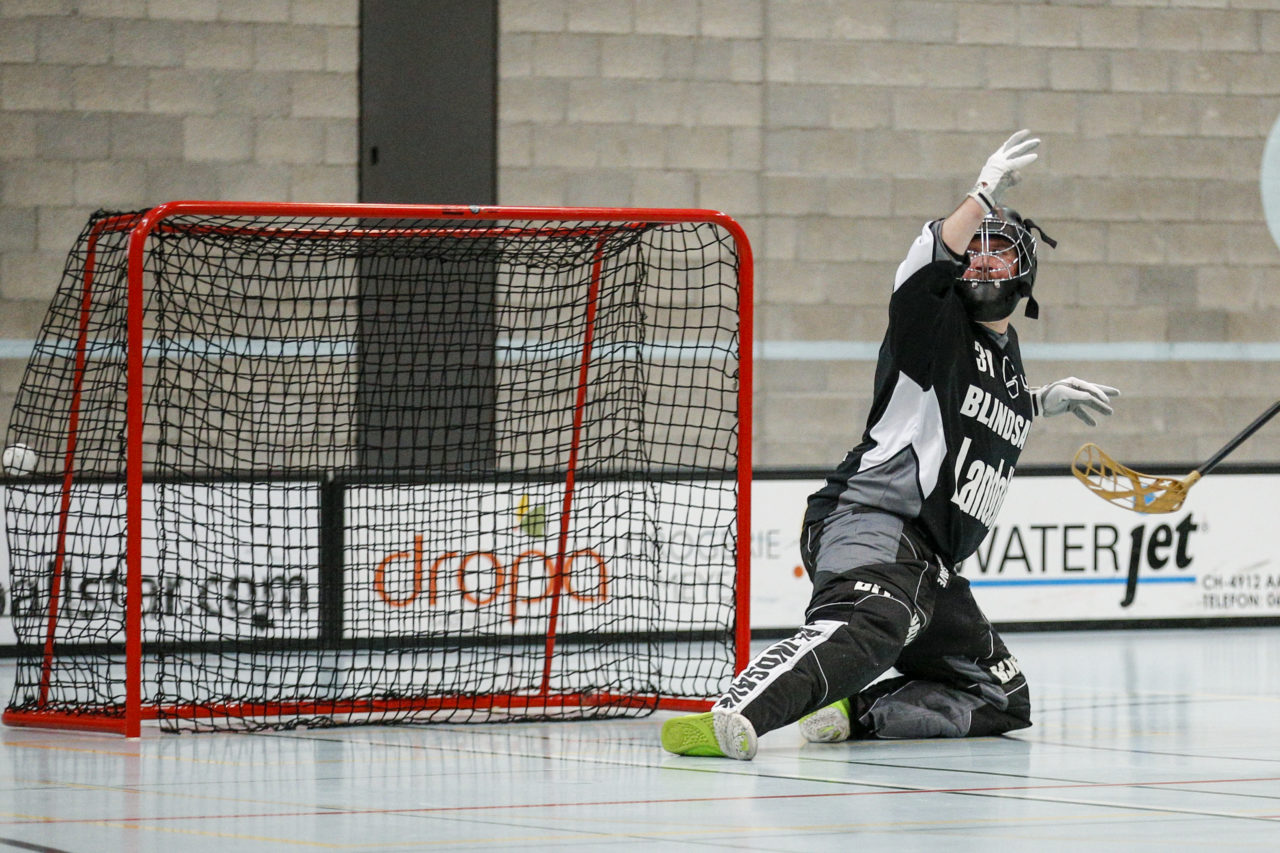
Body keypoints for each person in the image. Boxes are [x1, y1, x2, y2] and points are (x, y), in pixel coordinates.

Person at [661, 130, 1121, 760]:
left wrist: (1039, 401)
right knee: (872, 625)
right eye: (975, 251)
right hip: (872, 519)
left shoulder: (1008, 355)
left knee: (1001, 695)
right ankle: (735, 712)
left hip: (933, 568)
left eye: (1000, 253)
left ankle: (852, 712)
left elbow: (972, 411)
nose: (983, 261)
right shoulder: (933, 322)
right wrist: (982, 196)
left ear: (1026, 272)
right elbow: (921, 266)